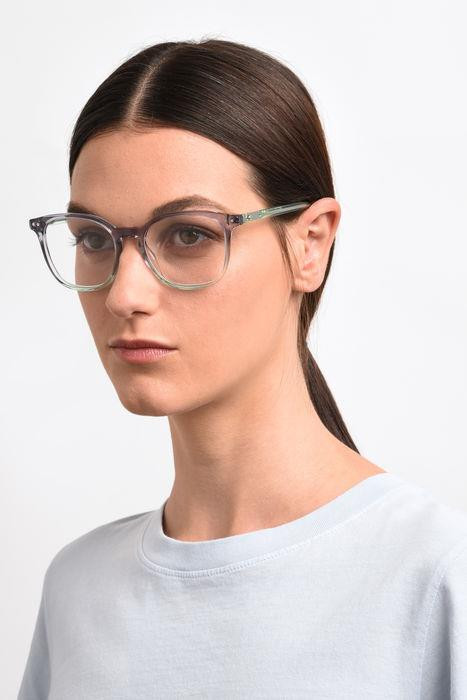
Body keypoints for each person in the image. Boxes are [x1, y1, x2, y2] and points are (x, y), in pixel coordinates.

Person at [19, 38, 467, 699]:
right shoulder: (78, 590)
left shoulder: (434, 576)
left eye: (189, 234)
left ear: (310, 244)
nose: (123, 294)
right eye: (93, 239)